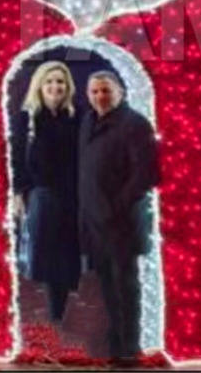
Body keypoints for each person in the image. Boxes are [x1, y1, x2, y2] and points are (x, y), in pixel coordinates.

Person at [79, 71, 160, 363]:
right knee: (107, 286)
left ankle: (129, 349)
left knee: (125, 285)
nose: (100, 96)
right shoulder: (89, 122)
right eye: (95, 91)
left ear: (120, 92)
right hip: (95, 220)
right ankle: (115, 346)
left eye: (106, 90)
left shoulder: (135, 124)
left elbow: (145, 173)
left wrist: (116, 207)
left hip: (121, 222)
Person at [11, 61, 81, 324]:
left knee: (67, 256)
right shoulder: (27, 118)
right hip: (42, 194)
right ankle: (51, 314)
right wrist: (18, 192)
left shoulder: (76, 116)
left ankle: (59, 315)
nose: (55, 86)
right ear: (40, 85)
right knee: (46, 256)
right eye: (49, 81)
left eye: (60, 81)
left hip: (72, 195)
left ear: (67, 86)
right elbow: (17, 157)